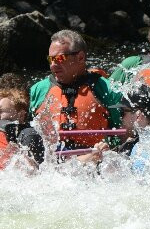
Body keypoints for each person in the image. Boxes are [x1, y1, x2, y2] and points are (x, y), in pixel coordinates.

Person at [30, 29, 131, 161]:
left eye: (60, 58)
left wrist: (109, 147)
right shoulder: (38, 90)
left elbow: (124, 134)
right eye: (50, 59)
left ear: (80, 57)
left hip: (93, 161)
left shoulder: (107, 89)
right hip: (51, 164)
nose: (53, 65)